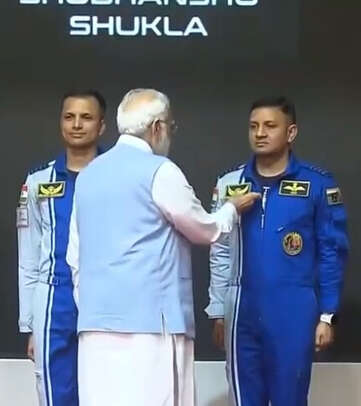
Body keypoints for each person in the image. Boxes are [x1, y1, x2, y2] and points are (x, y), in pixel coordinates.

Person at [66, 88, 260, 406]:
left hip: (94, 325)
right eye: (170, 126)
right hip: (152, 328)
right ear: (157, 127)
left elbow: (75, 255)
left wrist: (93, 304)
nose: (170, 132)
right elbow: (203, 229)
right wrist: (231, 209)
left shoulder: (88, 175)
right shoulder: (160, 170)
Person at [205, 96, 349, 406]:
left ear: (291, 132)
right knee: (243, 399)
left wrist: (327, 315)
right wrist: (218, 309)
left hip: (293, 309)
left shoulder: (317, 184)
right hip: (241, 309)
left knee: (290, 398)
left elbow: (332, 252)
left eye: (270, 126)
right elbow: (220, 250)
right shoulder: (231, 183)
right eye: (253, 126)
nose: (260, 133)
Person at [17, 89, 107, 406]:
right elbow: (28, 253)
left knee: (105, 390)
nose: (77, 125)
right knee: (54, 390)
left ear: (102, 126)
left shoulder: (116, 177)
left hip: (104, 296)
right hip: (54, 296)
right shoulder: (38, 181)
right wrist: (30, 324)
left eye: (86, 117)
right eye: (69, 117)